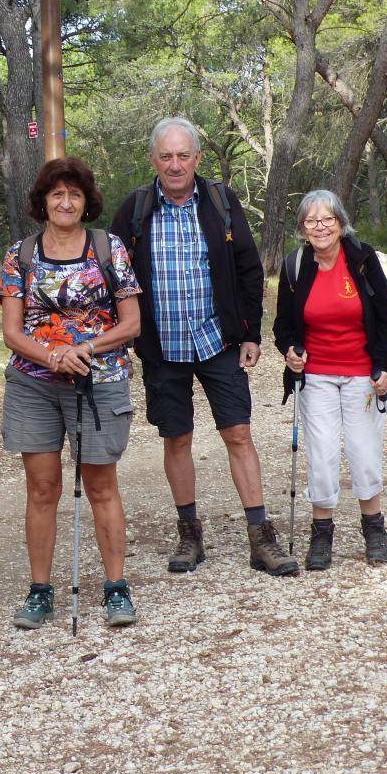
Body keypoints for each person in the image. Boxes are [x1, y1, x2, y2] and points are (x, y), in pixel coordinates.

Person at [111, 117, 298, 576]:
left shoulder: (220, 201)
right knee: (176, 438)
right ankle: (189, 534)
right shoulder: (134, 211)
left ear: (197, 158)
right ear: (154, 159)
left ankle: (261, 537)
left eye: (183, 155)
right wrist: (119, 342)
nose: (175, 165)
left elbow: (250, 270)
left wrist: (251, 331)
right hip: (161, 346)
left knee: (238, 434)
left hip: (219, 341)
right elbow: (114, 280)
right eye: (166, 156)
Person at [0, 157, 143, 629]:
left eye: (74, 195)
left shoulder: (108, 248)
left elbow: (131, 323)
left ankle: (116, 588)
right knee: (41, 488)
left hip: (98, 382)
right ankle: (40, 591)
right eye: (56, 194)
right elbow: (12, 332)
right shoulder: (20, 254)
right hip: (34, 384)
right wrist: (53, 357)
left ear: (86, 202)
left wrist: (84, 348)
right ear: (42, 202)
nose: (65, 202)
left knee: (101, 485)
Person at [272, 191, 387, 570]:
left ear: (342, 223)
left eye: (327, 219)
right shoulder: (295, 266)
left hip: (362, 371)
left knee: (363, 452)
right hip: (317, 376)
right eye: (312, 221)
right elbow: (283, 325)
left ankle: (374, 529)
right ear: (302, 229)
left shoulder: (362, 259)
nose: (321, 227)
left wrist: (384, 367)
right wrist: (290, 349)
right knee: (322, 454)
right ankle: (321, 532)